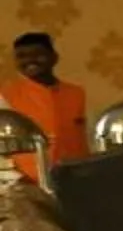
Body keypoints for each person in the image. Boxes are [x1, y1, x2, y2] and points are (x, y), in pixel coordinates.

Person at [4, 31, 85, 180]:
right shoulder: (5, 96)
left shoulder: (76, 94)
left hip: (74, 178)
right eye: (22, 56)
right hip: (25, 182)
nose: (30, 60)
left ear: (54, 57)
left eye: (37, 54)